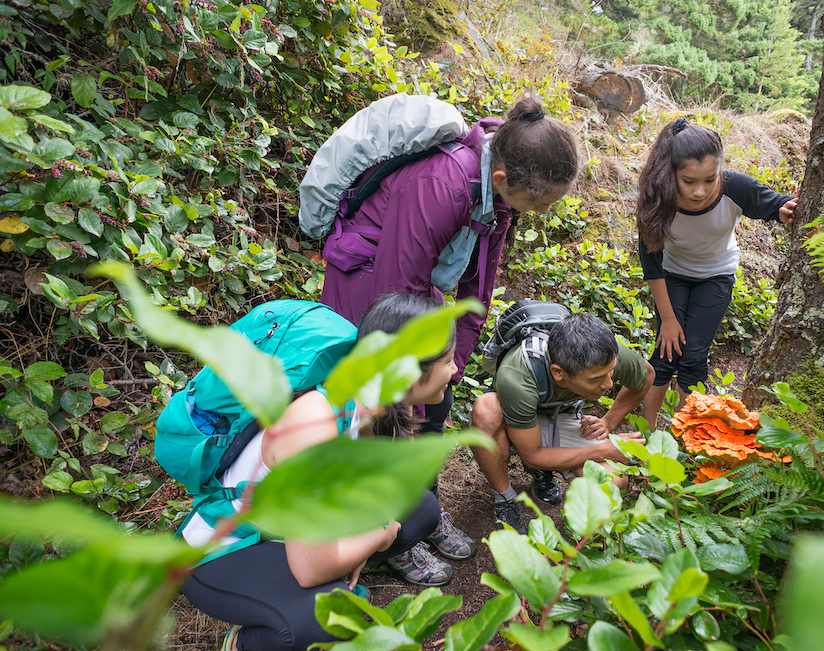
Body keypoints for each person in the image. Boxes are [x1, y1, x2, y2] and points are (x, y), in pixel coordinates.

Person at [317, 96, 580, 551]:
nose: (541, 213)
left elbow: (479, 287)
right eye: (539, 204)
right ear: (502, 179)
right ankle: (390, 540)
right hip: (368, 282)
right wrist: (412, 384)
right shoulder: (442, 185)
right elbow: (395, 291)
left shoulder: (497, 193)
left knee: (438, 401)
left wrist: (452, 362)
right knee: (384, 412)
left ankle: (423, 514)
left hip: (417, 285)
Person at [182, 294, 459, 651]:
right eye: (448, 360)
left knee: (419, 509)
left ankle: (306, 587)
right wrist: (376, 537)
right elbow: (310, 568)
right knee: (328, 618)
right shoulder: (315, 423)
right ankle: (244, 642)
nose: (454, 370)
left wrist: (359, 541)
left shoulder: (370, 404)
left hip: (281, 535)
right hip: (225, 549)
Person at [635, 118, 799, 430]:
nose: (700, 191)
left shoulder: (735, 187)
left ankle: (687, 437)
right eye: (689, 181)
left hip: (716, 275)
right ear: (671, 173)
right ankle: (647, 432)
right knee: (666, 353)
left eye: (710, 179)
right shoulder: (656, 199)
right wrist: (668, 321)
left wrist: (786, 210)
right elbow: (652, 266)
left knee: (693, 357)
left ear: (720, 170)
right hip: (672, 276)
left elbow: (775, 205)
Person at [469, 313, 655, 534]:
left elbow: (646, 376)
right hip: (515, 417)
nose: (608, 384)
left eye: (610, 372)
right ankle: (505, 498)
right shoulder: (517, 375)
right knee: (485, 410)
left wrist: (608, 421)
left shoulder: (603, 353)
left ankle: (549, 485)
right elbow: (533, 455)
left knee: (614, 481)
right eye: (596, 379)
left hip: (562, 414)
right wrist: (603, 450)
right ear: (558, 372)